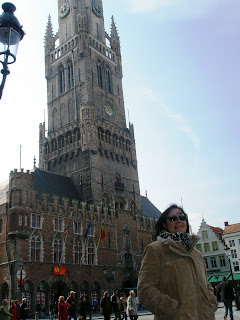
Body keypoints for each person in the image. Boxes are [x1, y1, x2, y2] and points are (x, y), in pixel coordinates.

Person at [137, 204, 218, 320]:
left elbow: (207, 285)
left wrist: (211, 303)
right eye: (173, 218)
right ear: (165, 224)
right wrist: (173, 311)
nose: (179, 221)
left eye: (182, 217)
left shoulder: (196, 254)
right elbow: (145, 290)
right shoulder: (156, 249)